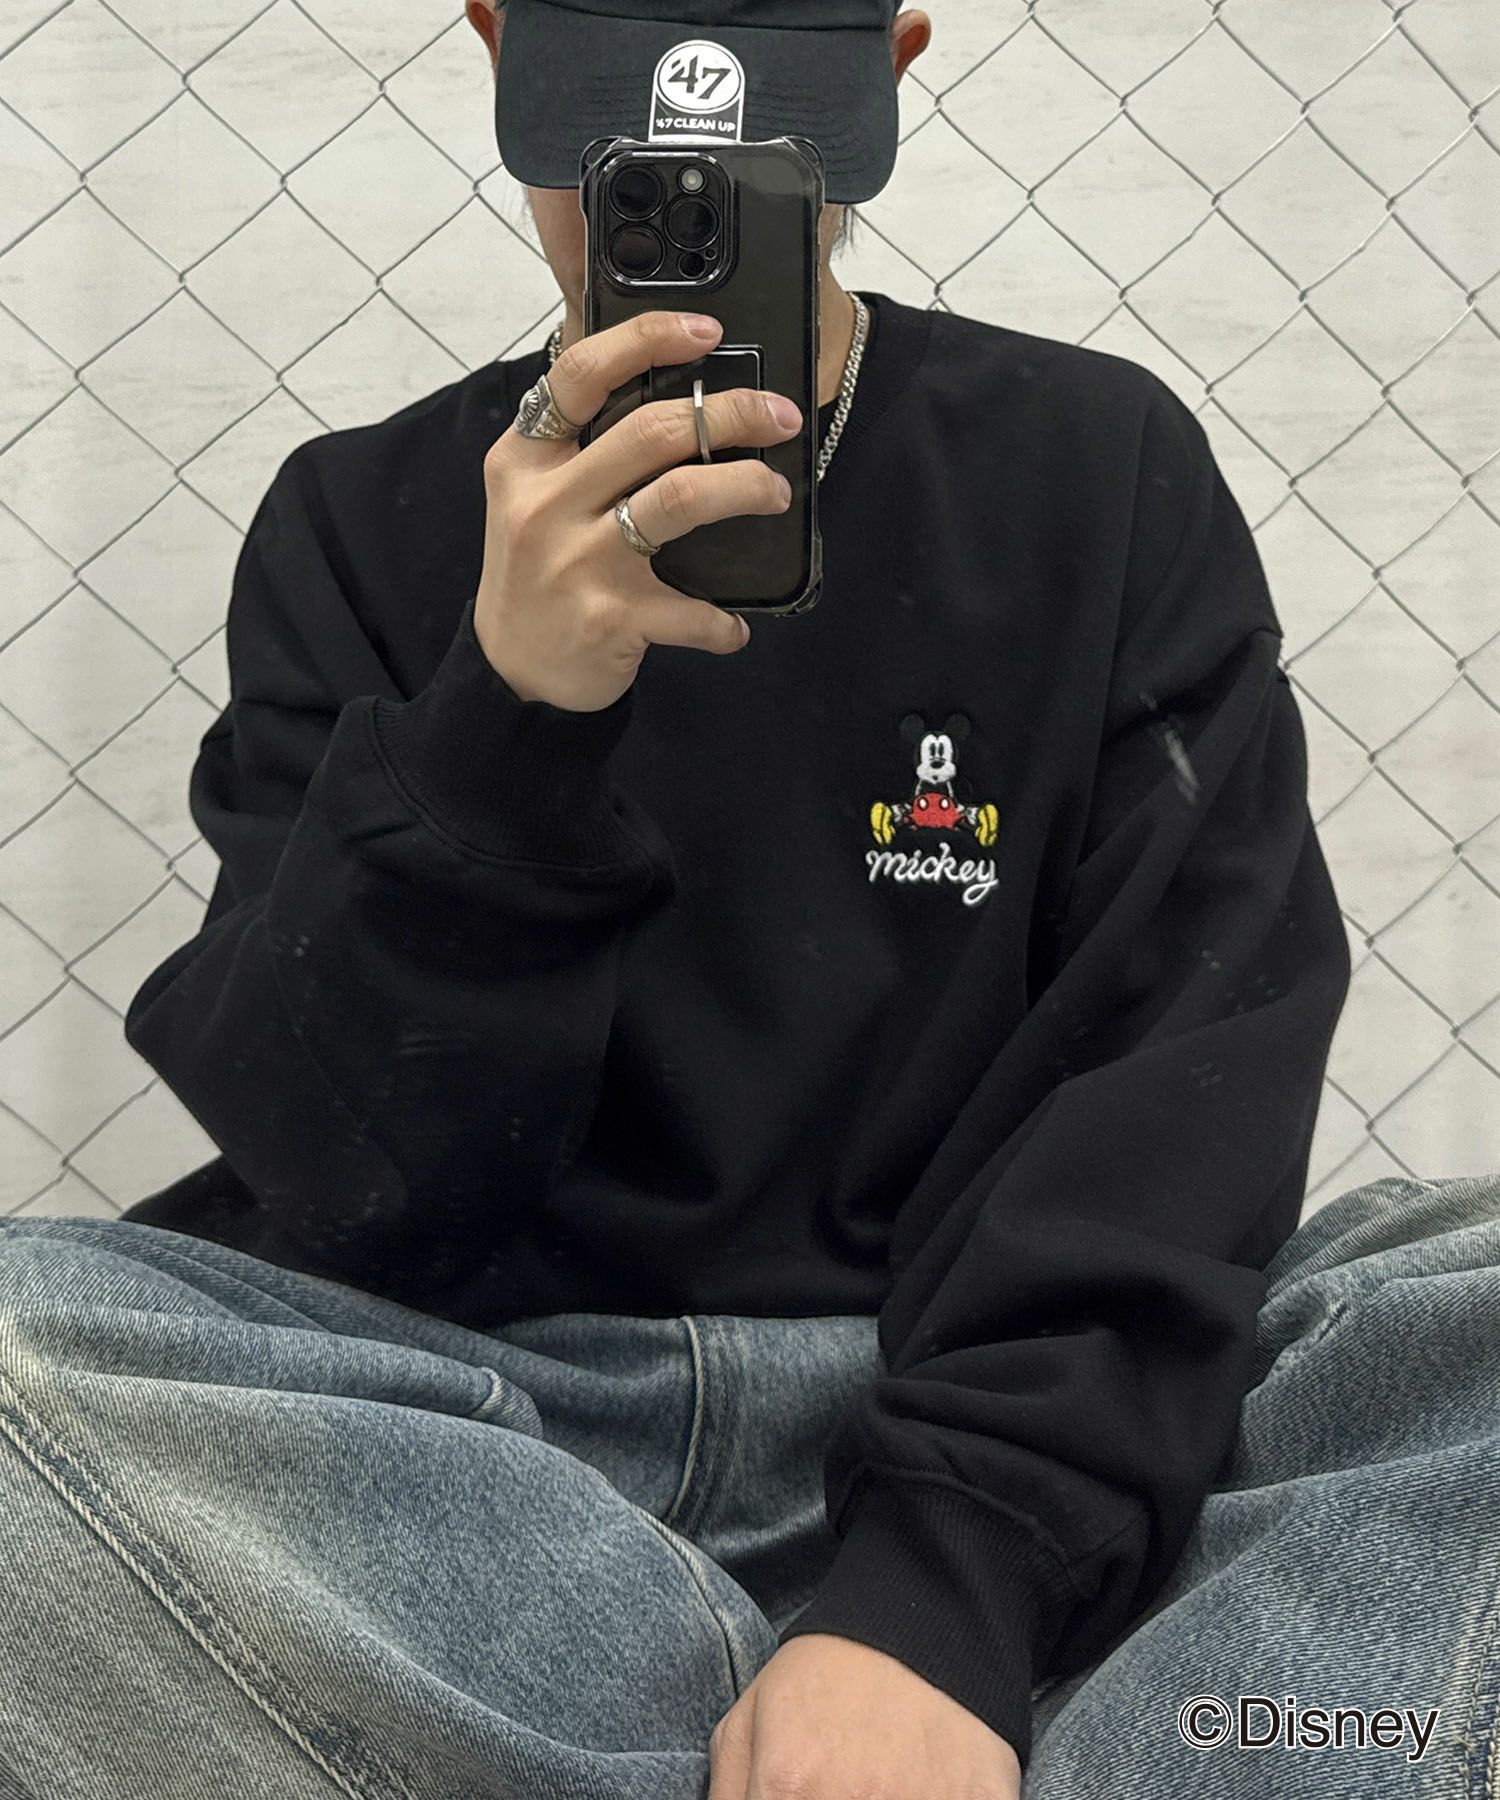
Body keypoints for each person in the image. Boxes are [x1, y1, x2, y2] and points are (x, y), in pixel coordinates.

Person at [1, 3, 1495, 1797]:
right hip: (491, 1456)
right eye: (625, 161)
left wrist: (943, 1592)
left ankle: (771, 1730)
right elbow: (355, 1189)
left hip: (980, 1400)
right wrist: (504, 721)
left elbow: (1183, 1073)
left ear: (896, 58)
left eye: (753, 161)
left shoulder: (1094, 473)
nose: (686, 211)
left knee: (1472, 1299)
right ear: (494, 43)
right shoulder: (358, 521)